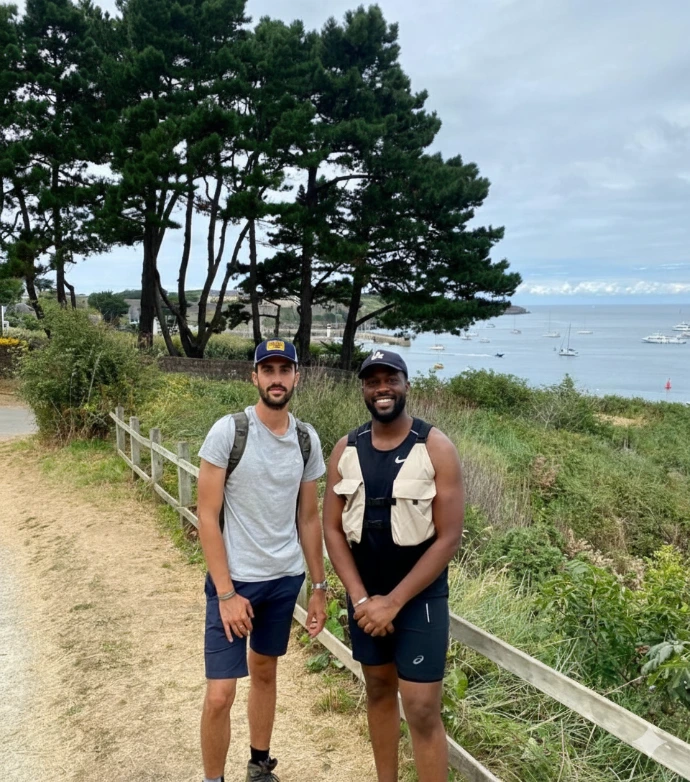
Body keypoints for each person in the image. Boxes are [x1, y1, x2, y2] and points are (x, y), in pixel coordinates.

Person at [323, 349, 464, 782]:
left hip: (419, 597)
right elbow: (331, 528)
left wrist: (394, 602)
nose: (382, 388)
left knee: (421, 709)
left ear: (406, 385)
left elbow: (449, 537)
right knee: (379, 690)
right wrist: (363, 599)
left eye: (391, 379)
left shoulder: (435, 447)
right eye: (372, 381)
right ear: (363, 389)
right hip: (364, 598)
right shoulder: (346, 448)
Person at [197, 339, 328, 782]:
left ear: (296, 376)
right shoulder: (229, 432)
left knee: (266, 672)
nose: (276, 378)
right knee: (219, 695)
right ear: (253, 376)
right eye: (267, 370)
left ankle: (259, 764)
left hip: (284, 578)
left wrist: (319, 587)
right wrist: (227, 593)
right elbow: (207, 517)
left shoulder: (307, 440)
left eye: (284, 369)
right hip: (235, 583)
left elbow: (309, 519)